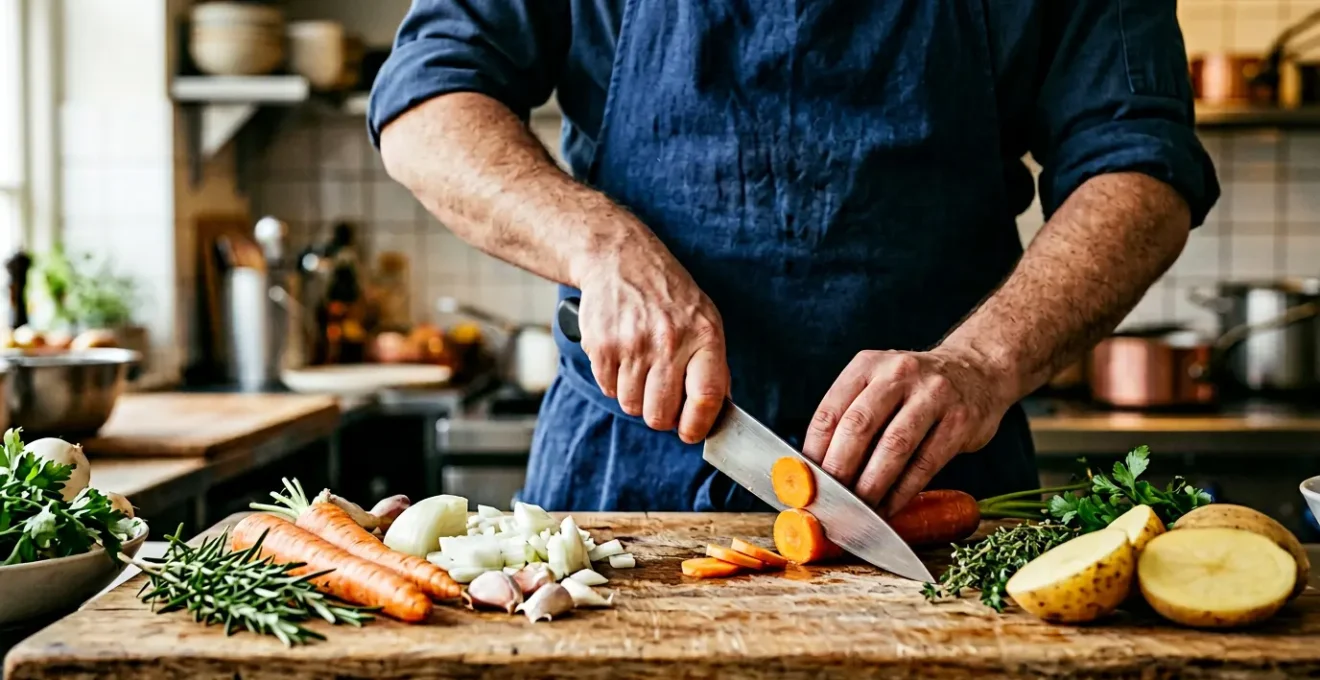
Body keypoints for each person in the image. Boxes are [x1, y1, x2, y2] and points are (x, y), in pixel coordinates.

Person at [369, 1, 1219, 514]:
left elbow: (1140, 163)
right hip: (624, 476)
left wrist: (983, 363)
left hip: (933, 478)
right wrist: (602, 248)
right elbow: (427, 100)